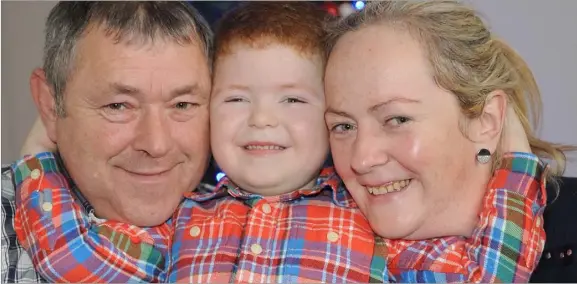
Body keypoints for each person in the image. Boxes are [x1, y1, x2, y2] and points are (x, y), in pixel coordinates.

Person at [11, 1, 553, 284]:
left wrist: (516, 157)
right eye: (235, 99)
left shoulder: (370, 225)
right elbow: (75, 259)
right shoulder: (182, 222)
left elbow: (484, 273)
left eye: (294, 101)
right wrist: (40, 151)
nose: (262, 121)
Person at [323, 0, 575, 282]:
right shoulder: (315, 237)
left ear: (486, 120)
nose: (361, 158)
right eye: (343, 126)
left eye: (397, 119)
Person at [1, 2, 214, 282]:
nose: (156, 144)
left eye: (183, 105)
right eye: (118, 106)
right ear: (51, 106)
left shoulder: (257, 222)